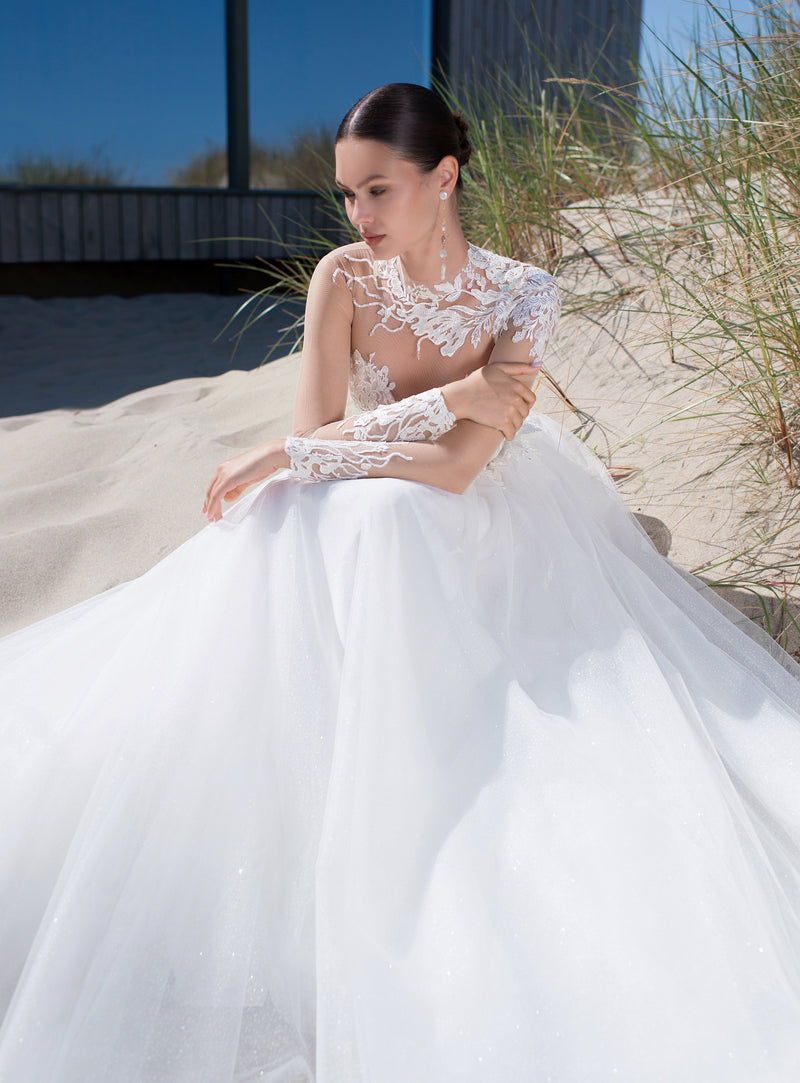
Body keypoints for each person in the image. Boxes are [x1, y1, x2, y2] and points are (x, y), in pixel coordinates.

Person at [1, 82, 800, 1083]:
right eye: (344, 197)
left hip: (481, 512)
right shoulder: (342, 278)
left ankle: (420, 780)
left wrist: (360, 435)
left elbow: (461, 467)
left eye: (376, 190)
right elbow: (307, 441)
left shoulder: (523, 294)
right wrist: (342, 438)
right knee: (312, 516)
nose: (358, 218)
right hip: (357, 495)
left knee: (386, 516)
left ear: (444, 176)